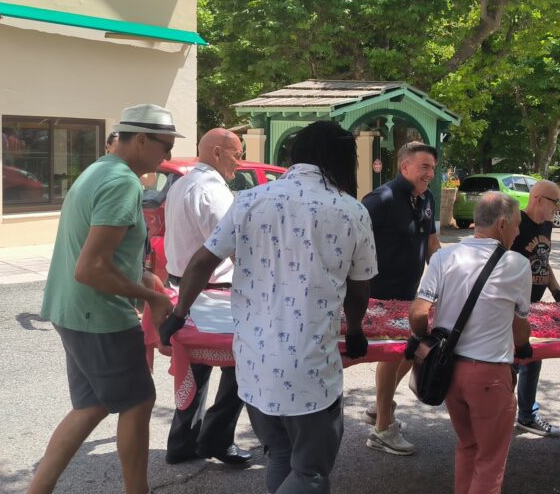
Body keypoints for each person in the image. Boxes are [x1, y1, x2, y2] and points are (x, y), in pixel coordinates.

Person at [161, 120, 377, 493]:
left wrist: (178, 316)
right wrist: (355, 329)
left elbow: (200, 263)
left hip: (255, 366)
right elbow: (359, 291)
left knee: (280, 455)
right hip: (311, 370)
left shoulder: (249, 199)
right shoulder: (351, 211)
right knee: (309, 472)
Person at [28, 104, 180, 494]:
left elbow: (100, 255)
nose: (167, 156)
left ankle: (37, 489)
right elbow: (91, 268)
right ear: (142, 140)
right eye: (165, 146)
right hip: (99, 313)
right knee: (138, 401)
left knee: (92, 406)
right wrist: (149, 296)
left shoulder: (99, 169)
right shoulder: (123, 183)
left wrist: (143, 277)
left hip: (72, 309)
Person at [406, 191, 532, 494]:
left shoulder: (444, 256)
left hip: (449, 371)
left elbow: (418, 312)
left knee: (468, 446)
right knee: (490, 460)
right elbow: (520, 329)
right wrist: (524, 346)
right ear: (501, 224)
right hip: (489, 374)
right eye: (516, 224)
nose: (518, 232)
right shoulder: (516, 264)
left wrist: (424, 337)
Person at [162, 129, 252, 466]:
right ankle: (215, 438)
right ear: (217, 152)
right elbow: (233, 250)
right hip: (211, 294)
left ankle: (184, 440)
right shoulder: (212, 190)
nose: (239, 163)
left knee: (197, 369)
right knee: (240, 365)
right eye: (236, 154)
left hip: (187, 290)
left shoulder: (183, 183)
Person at [361, 141, 441, 456]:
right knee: (394, 354)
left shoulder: (425, 198)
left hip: (411, 295)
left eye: (433, 168)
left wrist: (445, 278)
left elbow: (432, 243)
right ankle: (382, 428)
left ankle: (381, 406)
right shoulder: (380, 199)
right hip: (377, 297)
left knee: (415, 349)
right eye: (424, 167)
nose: (430, 174)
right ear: (404, 166)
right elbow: (349, 238)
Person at [509, 179, 560, 437]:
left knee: (533, 358)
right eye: (555, 202)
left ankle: (526, 415)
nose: (558, 208)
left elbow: (542, 259)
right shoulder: (517, 223)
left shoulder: (546, 225)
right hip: (514, 304)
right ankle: (501, 411)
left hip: (536, 304)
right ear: (537, 200)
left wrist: (557, 291)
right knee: (511, 360)